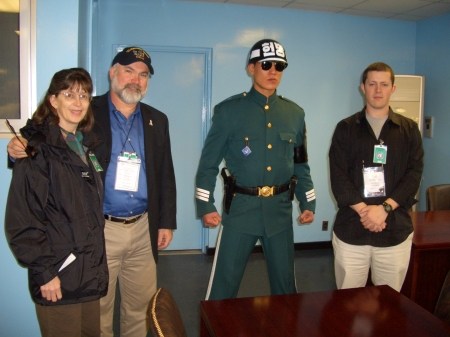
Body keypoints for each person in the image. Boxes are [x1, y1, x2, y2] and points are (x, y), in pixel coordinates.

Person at [7, 47, 177, 337]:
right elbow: (45, 132)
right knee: (98, 311)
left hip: (142, 228)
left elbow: (165, 172)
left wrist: (166, 221)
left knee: (140, 308)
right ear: (113, 73)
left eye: (143, 74)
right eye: (128, 71)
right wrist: (18, 147)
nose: (135, 79)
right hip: (100, 229)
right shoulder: (87, 110)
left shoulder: (156, 119)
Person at [195, 39, 316, 300]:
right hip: (241, 212)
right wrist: (206, 205)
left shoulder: (294, 114)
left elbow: (300, 163)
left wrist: (308, 201)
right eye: (266, 65)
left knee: (286, 288)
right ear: (251, 68)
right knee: (223, 288)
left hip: (279, 212)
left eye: (279, 66)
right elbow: (208, 164)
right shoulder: (229, 112)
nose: (273, 71)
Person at [5, 68, 108, 337]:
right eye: (69, 94)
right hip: (58, 276)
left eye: (84, 95)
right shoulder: (37, 149)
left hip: (89, 273)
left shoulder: (86, 145)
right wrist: (44, 273)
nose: (77, 102)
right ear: (53, 100)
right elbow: (23, 220)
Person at [328, 62, 424, 291]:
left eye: (384, 84)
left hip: (394, 231)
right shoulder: (345, 128)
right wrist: (366, 212)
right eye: (372, 84)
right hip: (351, 230)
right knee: (348, 304)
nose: (378, 90)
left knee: (388, 307)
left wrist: (384, 210)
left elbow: (414, 175)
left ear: (393, 88)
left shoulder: (409, 130)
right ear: (363, 87)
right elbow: (338, 176)